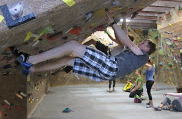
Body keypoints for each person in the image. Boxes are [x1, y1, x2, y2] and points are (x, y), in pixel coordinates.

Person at [11, 10, 156, 82]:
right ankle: (33, 69)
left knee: (73, 45)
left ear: (147, 49)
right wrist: (124, 19)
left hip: (111, 66)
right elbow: (125, 38)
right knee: (68, 60)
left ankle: (29, 60)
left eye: (143, 43)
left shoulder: (143, 56)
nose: (140, 43)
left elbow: (129, 42)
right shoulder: (134, 57)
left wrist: (112, 22)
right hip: (107, 74)